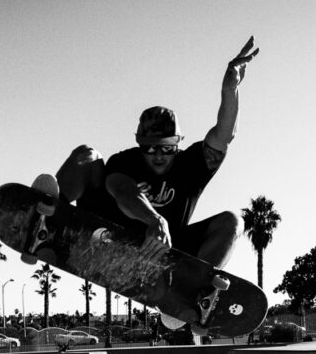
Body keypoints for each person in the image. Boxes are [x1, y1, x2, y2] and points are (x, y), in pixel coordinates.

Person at [56, 37, 259, 326]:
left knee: (232, 222)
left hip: (168, 257)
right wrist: (154, 220)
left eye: (167, 147)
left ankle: (194, 291)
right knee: (88, 155)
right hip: (112, 232)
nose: (159, 155)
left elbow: (224, 134)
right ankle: (50, 217)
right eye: (151, 148)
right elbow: (123, 192)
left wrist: (231, 89)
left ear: (177, 144)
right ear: (140, 144)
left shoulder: (192, 165)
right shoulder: (125, 161)